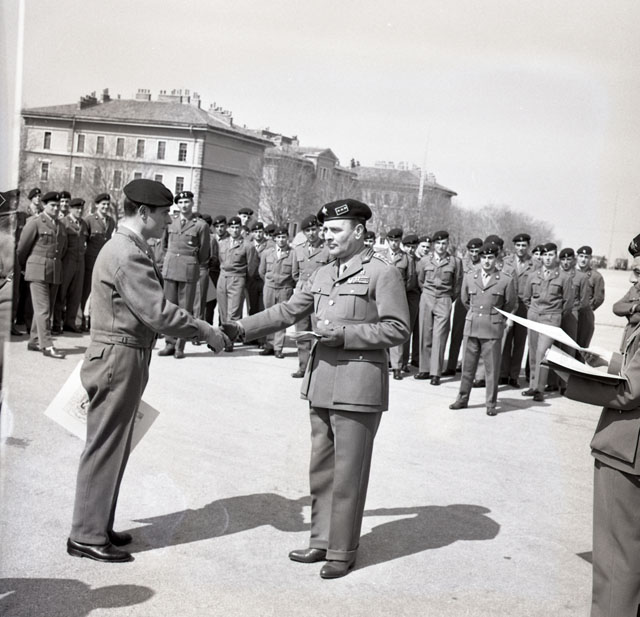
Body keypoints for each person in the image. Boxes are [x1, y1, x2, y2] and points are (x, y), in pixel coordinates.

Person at [223, 198, 409, 579]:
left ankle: (342, 551)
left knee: (349, 473)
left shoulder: (382, 273)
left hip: (358, 387)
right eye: (325, 230)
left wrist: (346, 335)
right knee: (321, 469)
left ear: (358, 232)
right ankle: (321, 540)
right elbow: (288, 310)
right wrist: (241, 327)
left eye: (335, 230)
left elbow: (397, 328)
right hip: (321, 382)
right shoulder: (323, 273)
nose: (328, 236)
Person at [67, 179, 227, 563]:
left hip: (125, 354)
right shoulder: (128, 253)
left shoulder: (128, 247)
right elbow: (159, 313)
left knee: (115, 445)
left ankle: (97, 524)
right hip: (118, 357)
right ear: (143, 213)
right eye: (164, 214)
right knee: (106, 446)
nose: (169, 221)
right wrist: (206, 331)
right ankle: (86, 534)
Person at [564, 280, 640, 615]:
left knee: (615, 559)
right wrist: (610, 361)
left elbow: (631, 391)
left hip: (627, 450)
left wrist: (572, 378)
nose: (636, 280)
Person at [449, 242, 517, 415]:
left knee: (491, 369)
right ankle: (462, 399)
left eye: (490, 257)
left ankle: (491, 404)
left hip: (492, 329)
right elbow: (465, 300)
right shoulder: (470, 277)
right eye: (484, 257)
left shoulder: (505, 280)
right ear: (479, 258)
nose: (487, 261)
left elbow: (510, 304)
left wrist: (495, 318)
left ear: (496, 259)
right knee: (467, 368)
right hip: (472, 326)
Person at [157, 190, 211, 359]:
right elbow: (164, 245)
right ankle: (169, 343)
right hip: (171, 268)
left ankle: (180, 346)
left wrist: (191, 261)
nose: (184, 205)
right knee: (169, 308)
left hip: (188, 270)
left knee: (185, 310)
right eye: (180, 202)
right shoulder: (170, 222)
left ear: (192, 203)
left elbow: (204, 253)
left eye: (187, 202)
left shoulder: (200, 225)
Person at [17, 191, 67, 358]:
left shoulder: (60, 225)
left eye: (58, 206)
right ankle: (47, 345)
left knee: (45, 309)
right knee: (43, 309)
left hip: (53, 271)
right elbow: (22, 248)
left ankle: (34, 340)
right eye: (52, 205)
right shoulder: (35, 222)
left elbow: (62, 249)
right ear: (44, 205)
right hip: (37, 271)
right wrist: (25, 266)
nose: (56, 208)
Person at [522, 242, 573, 401]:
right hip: (534, 317)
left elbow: (568, 303)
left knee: (542, 353)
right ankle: (532, 386)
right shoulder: (533, 275)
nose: (548, 258)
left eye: (551, 255)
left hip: (551, 319)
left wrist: (555, 314)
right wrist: (534, 311)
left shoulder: (564, 277)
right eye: (545, 255)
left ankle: (540, 389)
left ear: (556, 256)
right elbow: (526, 297)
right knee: (533, 351)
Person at [414, 230, 462, 385]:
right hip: (427, 297)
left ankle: (435, 373)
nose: (441, 246)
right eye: (438, 243)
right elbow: (420, 280)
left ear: (448, 245)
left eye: (444, 243)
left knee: (440, 336)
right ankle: (424, 369)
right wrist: (427, 294)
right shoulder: (424, 261)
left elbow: (457, 284)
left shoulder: (455, 262)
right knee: (425, 333)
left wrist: (448, 299)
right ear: (434, 245)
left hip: (444, 298)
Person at [291, 214, 330, 377]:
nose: (311, 233)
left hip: (319, 295)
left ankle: (316, 368)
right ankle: (303, 367)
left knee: (317, 331)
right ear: (304, 233)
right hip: (302, 293)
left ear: (319, 229)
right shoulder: (298, 249)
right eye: (308, 231)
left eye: (314, 229)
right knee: (301, 331)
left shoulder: (327, 250)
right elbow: (295, 274)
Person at [500, 233, 536, 387]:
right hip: (508, 304)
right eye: (518, 245)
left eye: (524, 245)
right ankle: (503, 373)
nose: (521, 248)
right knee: (506, 338)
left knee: (520, 341)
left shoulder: (534, 264)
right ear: (514, 246)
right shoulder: (506, 261)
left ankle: (514, 375)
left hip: (524, 306)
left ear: (528, 246)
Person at [216, 215, 258, 347]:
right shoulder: (222, 243)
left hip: (237, 278)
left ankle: (230, 341)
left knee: (234, 313)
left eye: (237, 227)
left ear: (241, 229)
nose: (235, 230)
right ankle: (224, 338)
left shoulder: (247, 246)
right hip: (223, 278)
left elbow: (251, 267)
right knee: (223, 312)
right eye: (232, 227)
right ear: (228, 229)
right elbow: (220, 261)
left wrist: (243, 280)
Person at [444, 237, 483, 377]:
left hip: (476, 303)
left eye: (477, 251)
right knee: (456, 334)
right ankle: (451, 366)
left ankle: (466, 366)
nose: (474, 254)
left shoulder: (483, 265)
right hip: (462, 302)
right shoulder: (462, 263)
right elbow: (456, 281)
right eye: (471, 251)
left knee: (472, 337)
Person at [258, 225, 296, 358]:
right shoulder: (267, 253)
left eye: (283, 237)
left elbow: (294, 274)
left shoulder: (293, 254)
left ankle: (278, 347)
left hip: (284, 289)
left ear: (288, 238)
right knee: (269, 316)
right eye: (278, 237)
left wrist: (287, 286)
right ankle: (269, 345)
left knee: (281, 317)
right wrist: (270, 283)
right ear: (274, 239)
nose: (281, 240)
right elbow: (262, 271)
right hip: (269, 288)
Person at [54, 197, 88, 333]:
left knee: (76, 294)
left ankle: (70, 322)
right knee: (61, 294)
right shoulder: (63, 222)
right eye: (77, 208)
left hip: (80, 262)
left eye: (81, 208)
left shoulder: (84, 224)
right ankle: (56, 324)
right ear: (71, 209)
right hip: (67, 261)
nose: (80, 211)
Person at [82, 193, 116, 331]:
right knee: (86, 291)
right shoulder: (89, 220)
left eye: (107, 204)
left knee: (100, 292)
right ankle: (83, 320)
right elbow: (84, 242)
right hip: (90, 261)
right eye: (103, 204)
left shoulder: (111, 221)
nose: (105, 207)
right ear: (97, 205)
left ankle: (94, 320)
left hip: (104, 263)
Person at [575, 245, 605, 349]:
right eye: (581, 256)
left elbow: (599, 297)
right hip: (569, 313)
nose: (583, 259)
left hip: (584, 315)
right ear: (577, 257)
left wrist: (588, 308)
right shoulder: (569, 273)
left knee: (581, 347)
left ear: (590, 258)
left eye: (586, 257)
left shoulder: (596, 276)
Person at [613, 257, 640, 351]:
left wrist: (630, 314)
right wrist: (635, 307)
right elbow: (616, 307)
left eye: (638, 274)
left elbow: (635, 318)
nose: (633, 280)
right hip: (629, 340)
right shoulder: (634, 290)